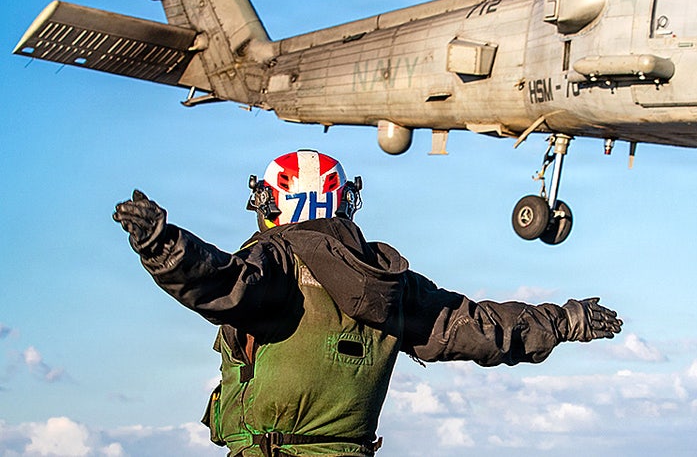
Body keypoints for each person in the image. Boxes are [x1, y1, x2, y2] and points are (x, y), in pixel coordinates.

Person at [112, 149, 621, 457]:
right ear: (343, 201)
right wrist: (565, 320)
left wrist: (165, 247)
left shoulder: (278, 261)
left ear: (271, 205)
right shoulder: (392, 284)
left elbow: (225, 283)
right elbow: (482, 328)